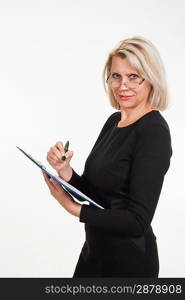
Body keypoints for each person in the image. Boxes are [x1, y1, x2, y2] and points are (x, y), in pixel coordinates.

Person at [42, 36, 173, 277]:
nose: (123, 85)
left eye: (134, 76)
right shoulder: (115, 121)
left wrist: (74, 209)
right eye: (116, 76)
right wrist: (65, 172)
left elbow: (137, 221)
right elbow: (97, 194)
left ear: (151, 79)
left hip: (129, 264)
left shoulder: (153, 132)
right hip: (94, 254)